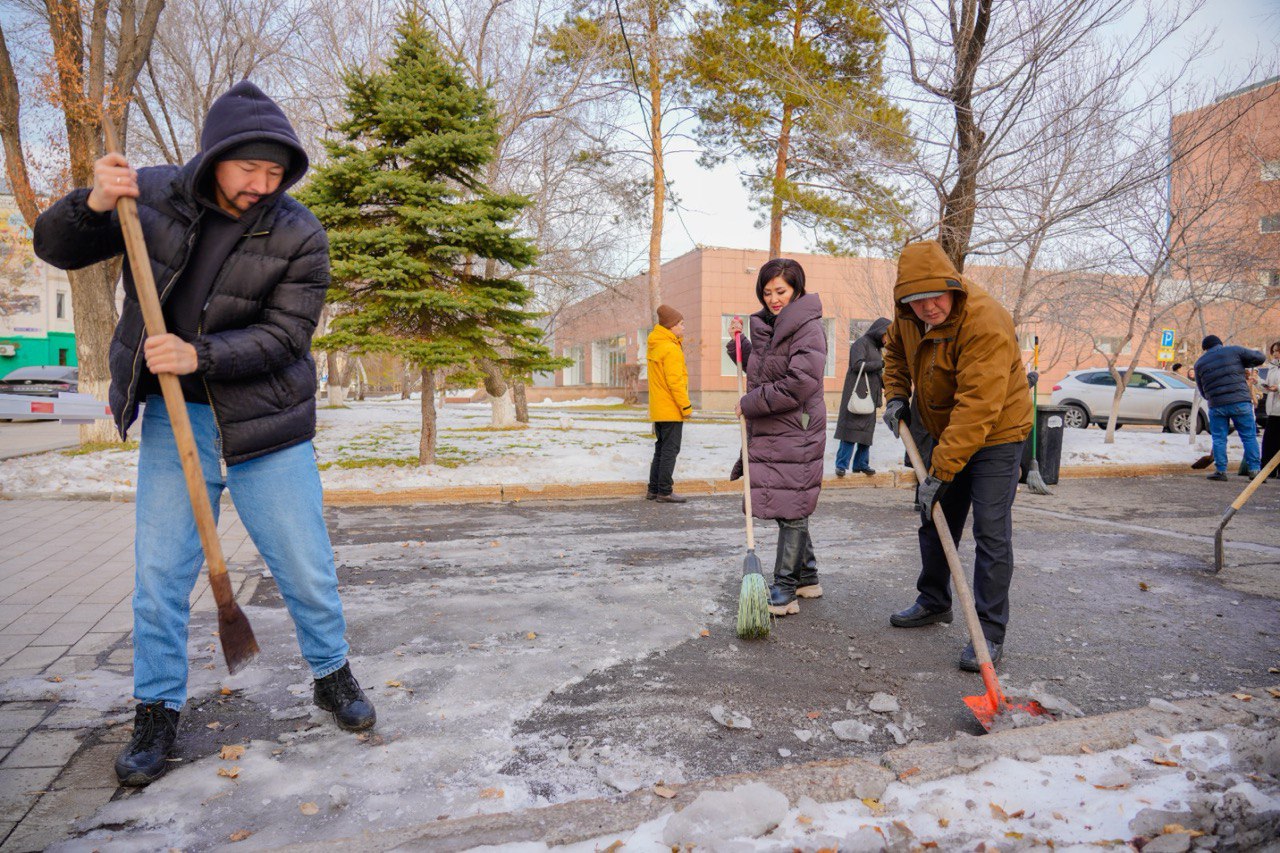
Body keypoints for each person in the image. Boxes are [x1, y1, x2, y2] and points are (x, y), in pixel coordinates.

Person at [33, 81, 375, 787]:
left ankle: (331, 674)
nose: (263, 184)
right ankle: (156, 708)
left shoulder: (300, 233)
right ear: (216, 155)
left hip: (266, 422)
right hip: (174, 416)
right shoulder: (147, 196)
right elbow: (56, 246)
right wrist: (92, 201)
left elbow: (286, 337)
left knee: (304, 565)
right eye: (250, 168)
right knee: (158, 576)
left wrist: (201, 355)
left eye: (275, 173)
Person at [880, 240, 1032, 672]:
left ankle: (988, 631)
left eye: (936, 296)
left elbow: (978, 406)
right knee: (934, 517)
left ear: (953, 285)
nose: (928, 307)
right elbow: (893, 353)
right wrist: (895, 395)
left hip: (996, 434)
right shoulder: (908, 315)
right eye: (917, 299)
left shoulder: (986, 320)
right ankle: (934, 601)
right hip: (944, 429)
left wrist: (940, 471)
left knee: (990, 531)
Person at [726, 258, 827, 617]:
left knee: (793, 505)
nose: (773, 298)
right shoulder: (774, 324)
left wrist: (750, 402)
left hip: (796, 427)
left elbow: (799, 382)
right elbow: (770, 369)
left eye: (780, 291)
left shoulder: (808, 328)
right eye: (767, 292)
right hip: (777, 425)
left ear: (796, 288)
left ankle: (785, 589)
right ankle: (807, 575)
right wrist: (739, 346)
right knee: (792, 500)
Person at [1193, 335, 1264, 481]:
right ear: (1220, 343)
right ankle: (1255, 470)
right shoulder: (1234, 351)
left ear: (1205, 349)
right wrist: (1246, 362)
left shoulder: (1199, 363)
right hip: (1240, 402)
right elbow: (1260, 357)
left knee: (1219, 439)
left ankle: (1220, 471)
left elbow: (1201, 389)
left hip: (1216, 405)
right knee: (1248, 437)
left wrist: (1213, 398)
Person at [646, 304, 693, 503]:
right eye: (681, 324)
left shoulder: (656, 345)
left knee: (661, 449)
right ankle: (665, 491)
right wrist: (686, 406)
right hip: (671, 408)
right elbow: (675, 382)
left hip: (659, 408)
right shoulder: (670, 349)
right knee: (670, 451)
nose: (683, 327)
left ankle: (653, 489)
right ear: (671, 326)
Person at [834, 317, 891, 477]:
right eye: (886, 335)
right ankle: (841, 466)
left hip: (870, 399)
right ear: (879, 332)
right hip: (857, 396)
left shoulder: (877, 349)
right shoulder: (861, 343)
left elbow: (877, 374)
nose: (887, 339)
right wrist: (881, 364)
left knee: (866, 435)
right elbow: (857, 365)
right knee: (850, 433)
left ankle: (861, 464)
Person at [1254, 341, 1280, 478]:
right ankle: (1267, 470)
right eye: (1274, 351)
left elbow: (1277, 386)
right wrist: (1257, 382)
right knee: (1269, 442)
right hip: (1273, 409)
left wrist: (1278, 388)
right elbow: (1268, 387)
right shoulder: (1273, 367)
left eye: (1278, 351)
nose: (1275, 354)